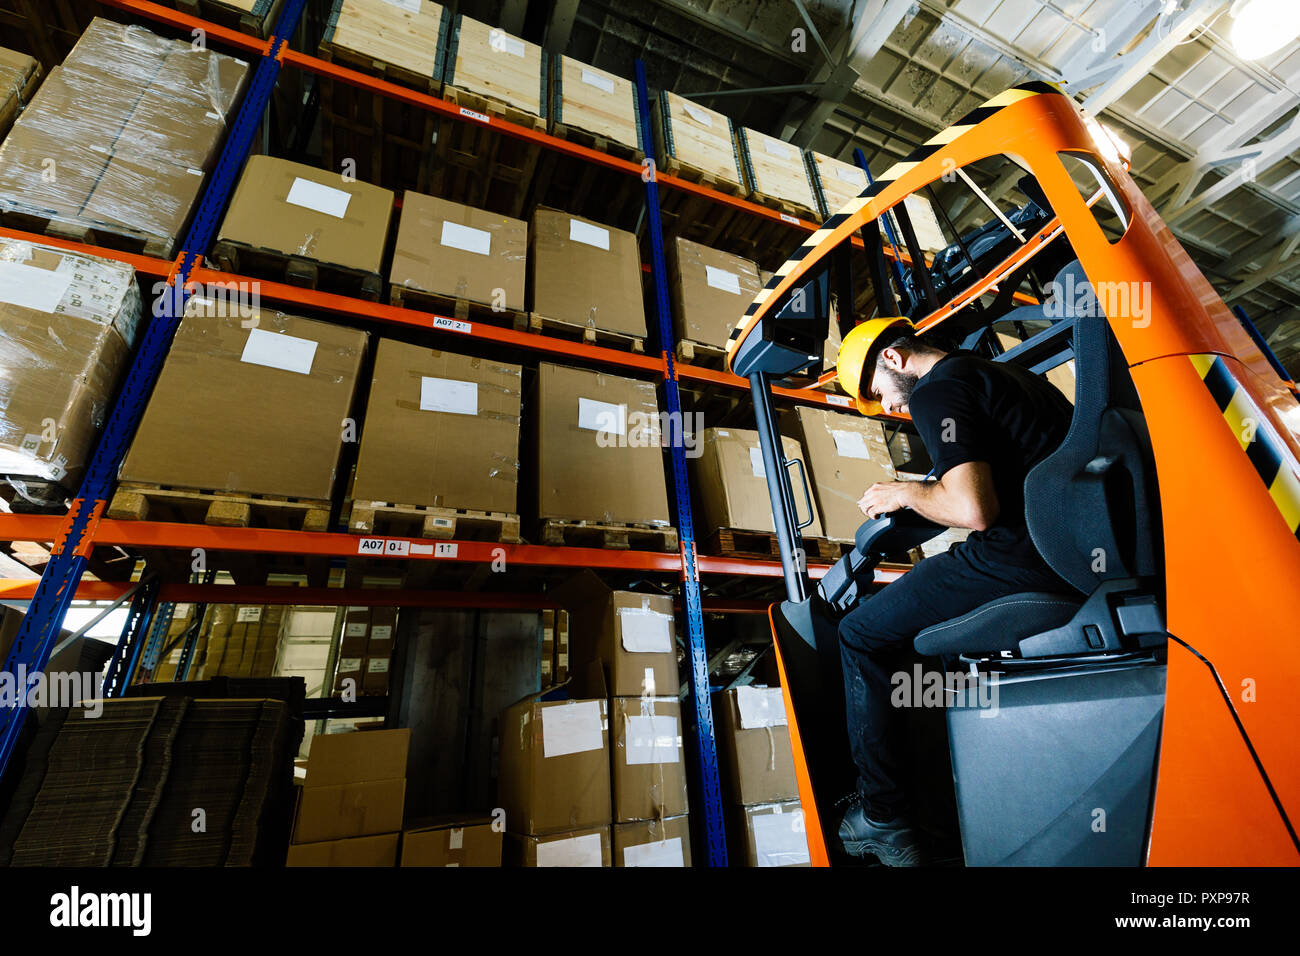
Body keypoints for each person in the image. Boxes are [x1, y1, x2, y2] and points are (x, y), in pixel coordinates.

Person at [830, 316, 1075, 865]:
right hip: (1067, 550)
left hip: (1022, 557)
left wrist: (907, 491)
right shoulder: (998, 374)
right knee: (906, 631)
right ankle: (930, 778)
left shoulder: (936, 392)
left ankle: (883, 816)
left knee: (860, 632)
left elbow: (972, 508)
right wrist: (921, 496)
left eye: (877, 394)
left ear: (892, 359)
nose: (890, 409)